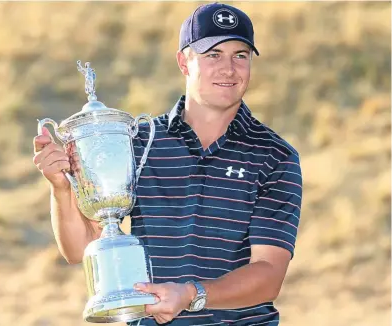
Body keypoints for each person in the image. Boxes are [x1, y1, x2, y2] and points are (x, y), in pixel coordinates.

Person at [33, 3, 303, 325]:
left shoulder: (274, 155)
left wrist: (190, 294)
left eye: (240, 55)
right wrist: (62, 188)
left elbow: (269, 275)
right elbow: (81, 249)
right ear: (184, 62)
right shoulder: (139, 141)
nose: (229, 69)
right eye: (213, 54)